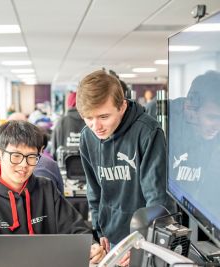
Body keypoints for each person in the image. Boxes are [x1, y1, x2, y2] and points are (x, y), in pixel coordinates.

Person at [0, 121, 106, 267]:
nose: (24, 165)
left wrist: (91, 246)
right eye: (16, 156)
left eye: (31, 157)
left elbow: (77, 230)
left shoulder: (46, 189)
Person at [76, 70, 174, 266]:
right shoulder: (87, 136)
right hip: (111, 236)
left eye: (104, 116)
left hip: (143, 238)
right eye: (88, 117)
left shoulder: (148, 132)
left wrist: (144, 242)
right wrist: (99, 229)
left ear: (122, 106)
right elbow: (94, 188)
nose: (96, 126)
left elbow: (157, 198)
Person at [168, 71, 220, 218]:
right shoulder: (166, 127)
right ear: (189, 108)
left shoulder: (214, 138)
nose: (217, 126)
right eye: (211, 117)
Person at [51, 91, 86, 160]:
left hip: (65, 167)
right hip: (89, 168)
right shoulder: (91, 120)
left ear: (69, 103)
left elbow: (54, 150)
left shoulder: (61, 122)